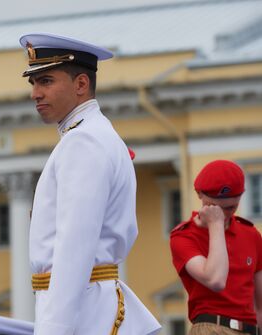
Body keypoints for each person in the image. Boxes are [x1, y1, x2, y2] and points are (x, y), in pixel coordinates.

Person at [20, 33, 161, 335]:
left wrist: (54, 329)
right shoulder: (92, 135)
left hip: (83, 309)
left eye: (45, 81)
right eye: (33, 83)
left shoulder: (83, 141)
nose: (35, 93)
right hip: (88, 302)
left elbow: (74, 246)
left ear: (81, 84)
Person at [170, 160, 262, 335]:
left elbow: (260, 304)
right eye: (216, 207)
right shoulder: (184, 235)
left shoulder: (251, 234)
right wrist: (216, 225)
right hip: (211, 327)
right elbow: (216, 280)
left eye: (231, 207)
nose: (224, 214)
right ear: (199, 194)